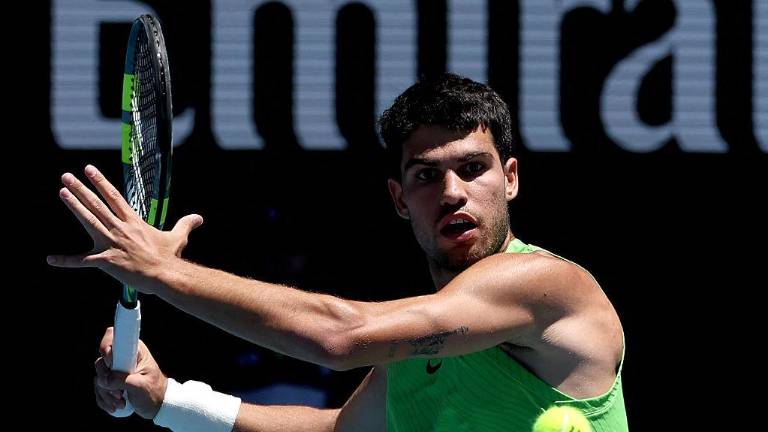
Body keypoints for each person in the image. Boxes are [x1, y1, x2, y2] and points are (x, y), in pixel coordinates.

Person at [49, 73, 628, 431]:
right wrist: (170, 402)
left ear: (510, 179)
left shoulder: (548, 286)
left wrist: (163, 273)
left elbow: (341, 337)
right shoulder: (419, 341)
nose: (452, 192)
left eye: (472, 169)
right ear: (399, 200)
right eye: (427, 175)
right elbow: (341, 431)